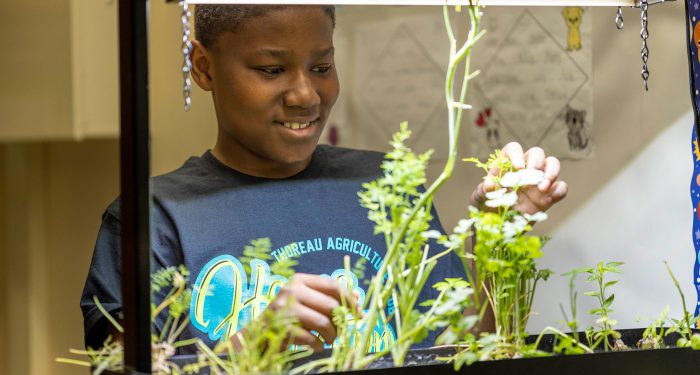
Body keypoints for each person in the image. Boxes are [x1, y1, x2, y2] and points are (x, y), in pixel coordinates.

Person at [81, 5, 568, 353]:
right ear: (203, 66)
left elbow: (464, 349)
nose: (305, 95)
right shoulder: (153, 220)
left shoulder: (388, 183)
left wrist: (498, 236)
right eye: (271, 69)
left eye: (322, 67)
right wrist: (255, 345)